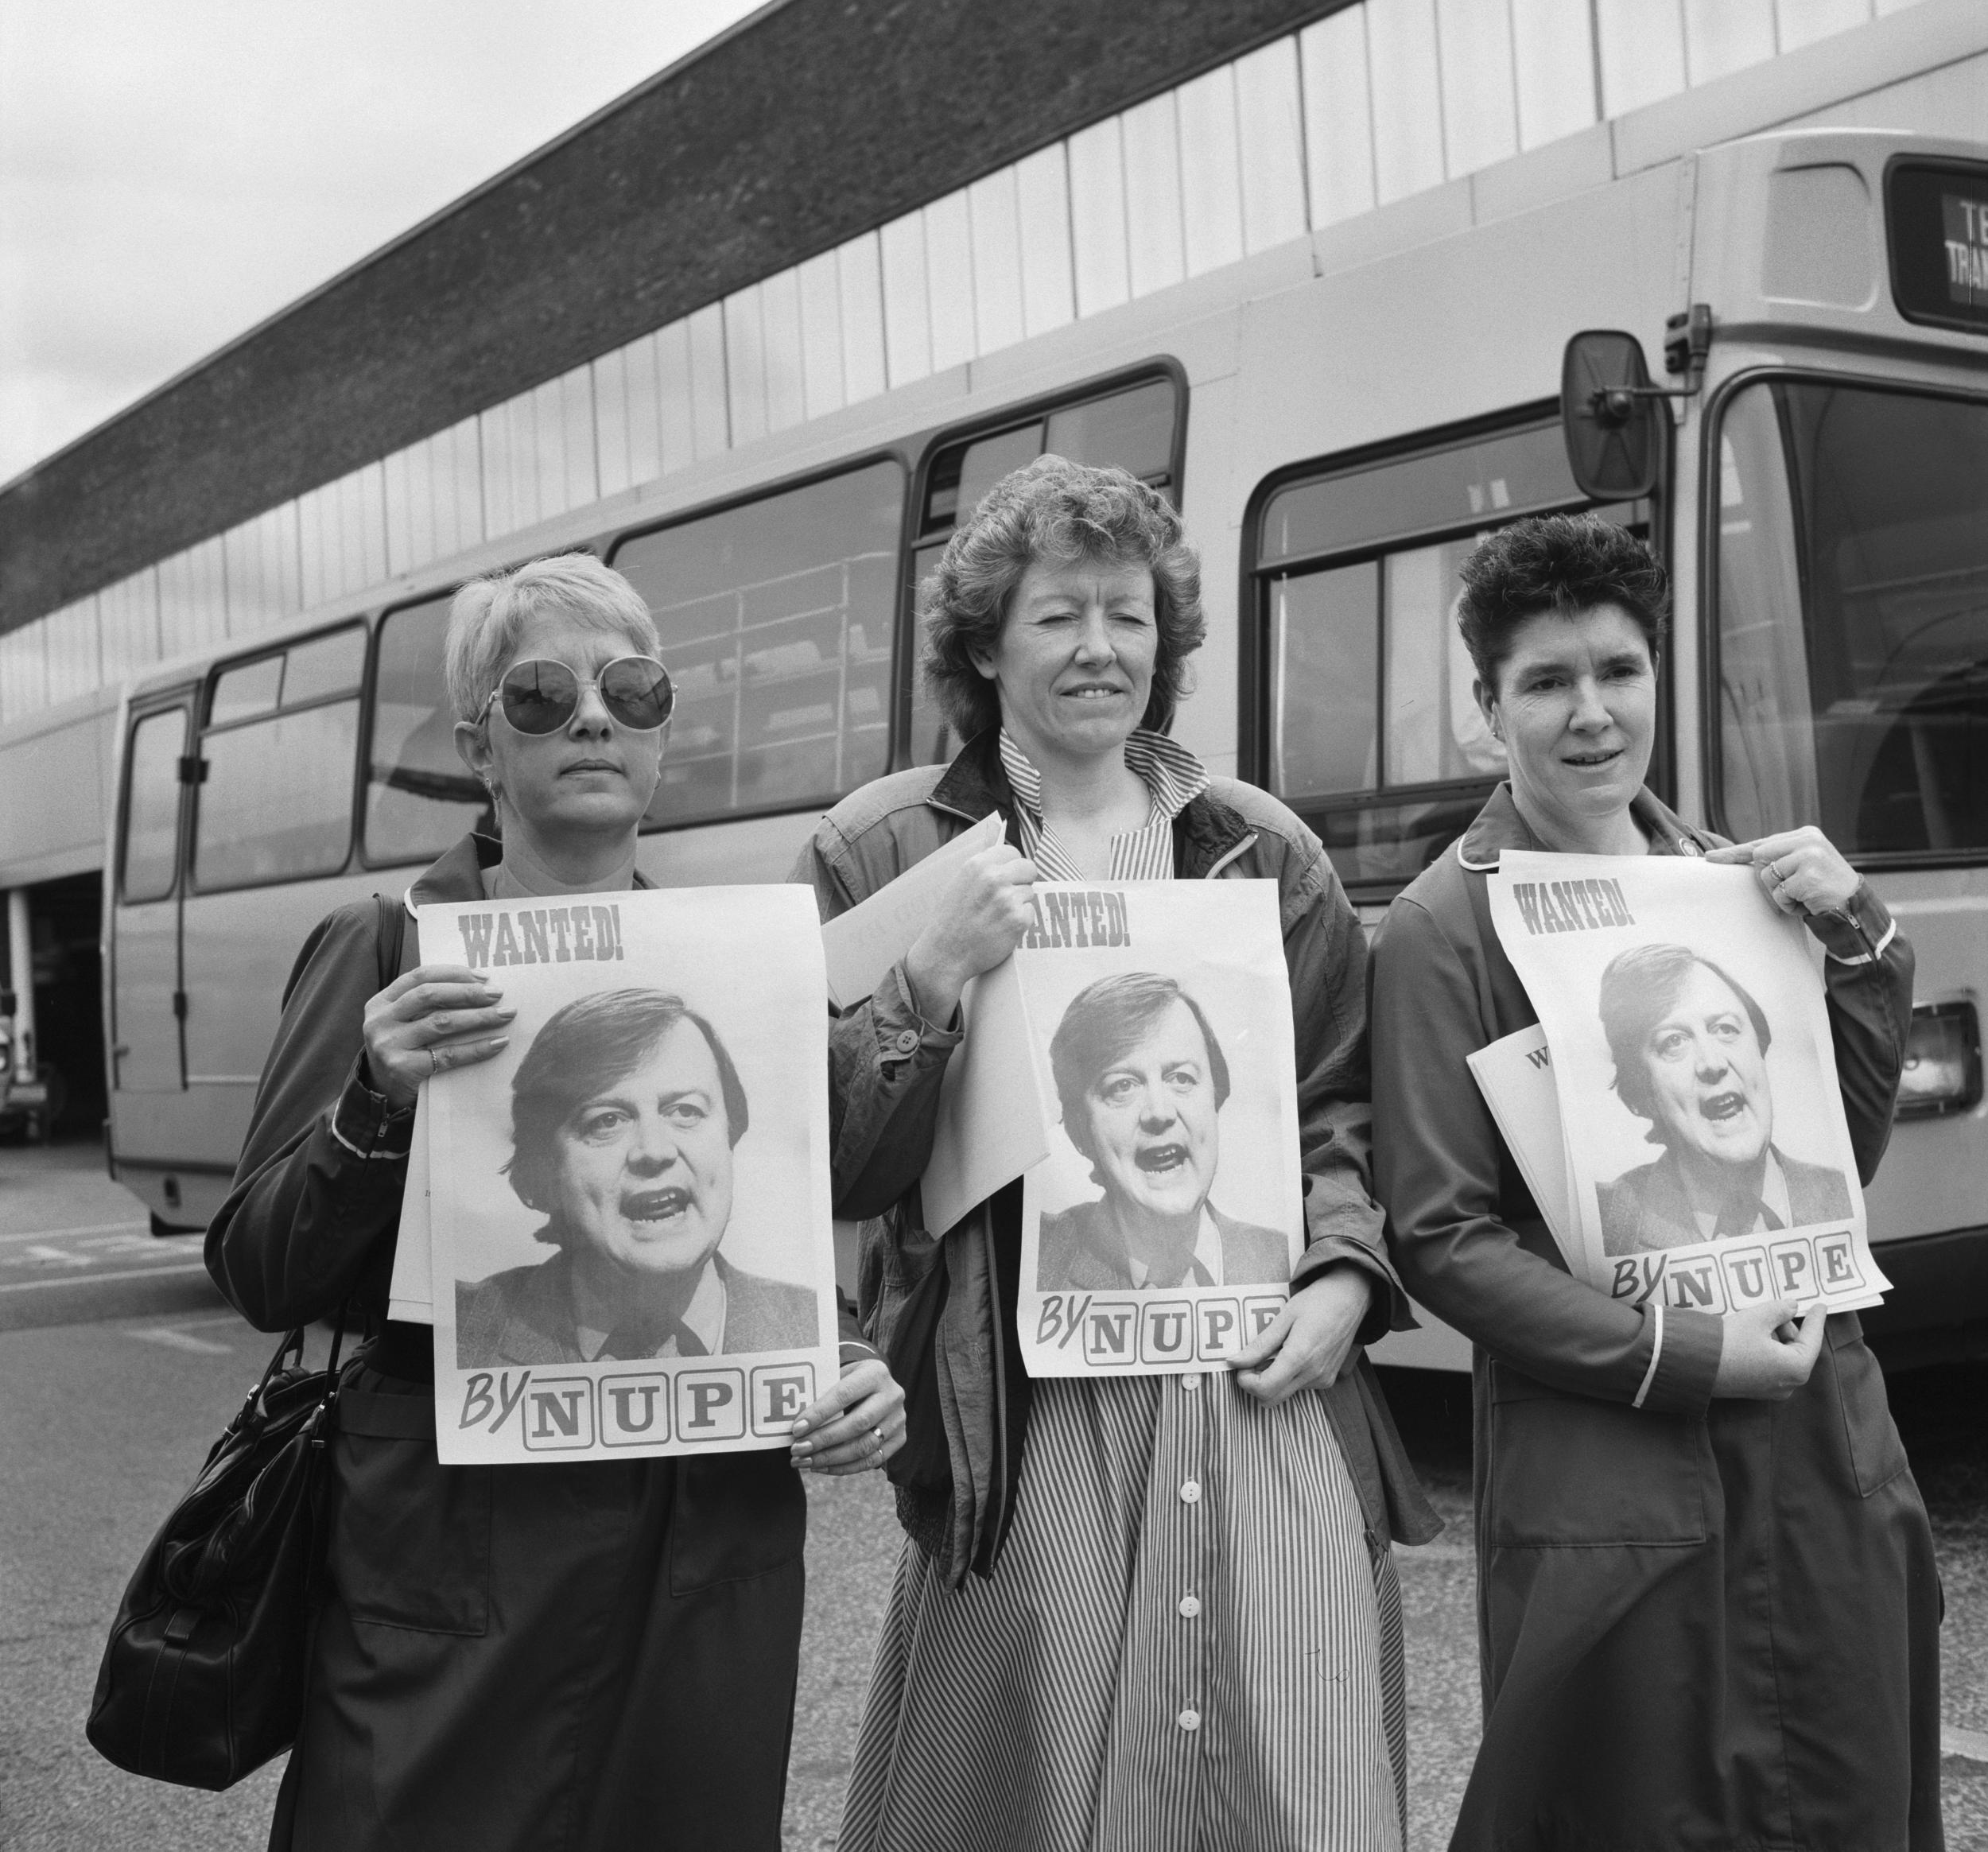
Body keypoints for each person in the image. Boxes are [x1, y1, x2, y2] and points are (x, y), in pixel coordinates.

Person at [205, 551, 905, 1852]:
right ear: (480, 744)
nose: (593, 717)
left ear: (661, 734)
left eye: (631, 690)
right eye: (541, 695)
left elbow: (761, 1238)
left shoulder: (734, 968)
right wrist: (375, 1099)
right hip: (455, 1562)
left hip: (700, 1567)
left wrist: (846, 1366)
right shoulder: (388, 950)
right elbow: (258, 1267)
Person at [796, 455, 1439, 1852]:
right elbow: (821, 1158)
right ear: (984, 643)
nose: (1101, 647)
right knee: (1034, 1768)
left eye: (1129, 615)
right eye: (1058, 616)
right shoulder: (883, 846)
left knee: (1290, 1763)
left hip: (1252, 1377)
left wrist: (1341, 1278)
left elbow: (1338, 1107)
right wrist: (927, 982)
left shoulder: (1258, 846)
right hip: (1024, 1401)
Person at [1369, 513, 1940, 1850]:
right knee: (1637, 1802)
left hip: (1816, 1431)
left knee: (1846, 1786)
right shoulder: (1445, 926)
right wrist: (1686, 1355)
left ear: (1655, 680)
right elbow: (1444, 1237)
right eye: (1547, 682)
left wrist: (1859, 942)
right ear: (1486, 710)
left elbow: (1836, 1163)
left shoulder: (1732, 883)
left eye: (1617, 672)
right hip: (1611, 1455)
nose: (1590, 715)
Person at [455, 987, 819, 1366]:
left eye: (685, 1110)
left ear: (731, 1133)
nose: (655, 1151)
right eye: (607, 1121)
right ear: (546, 1165)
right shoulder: (458, 1331)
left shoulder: (824, 1337)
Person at [1038, 969, 1291, 1291]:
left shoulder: (1290, 1262)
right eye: (1122, 1086)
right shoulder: (1041, 1260)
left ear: (1216, 1099)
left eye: (1181, 1078)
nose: (1159, 1112)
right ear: (1078, 1131)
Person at [1594, 942, 1853, 1256]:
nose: (1712, 1063)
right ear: (1642, 1094)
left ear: (1760, 1049)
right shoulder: (1606, 1222)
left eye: (1725, 1028)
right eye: (1673, 1041)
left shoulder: (1841, 1193)